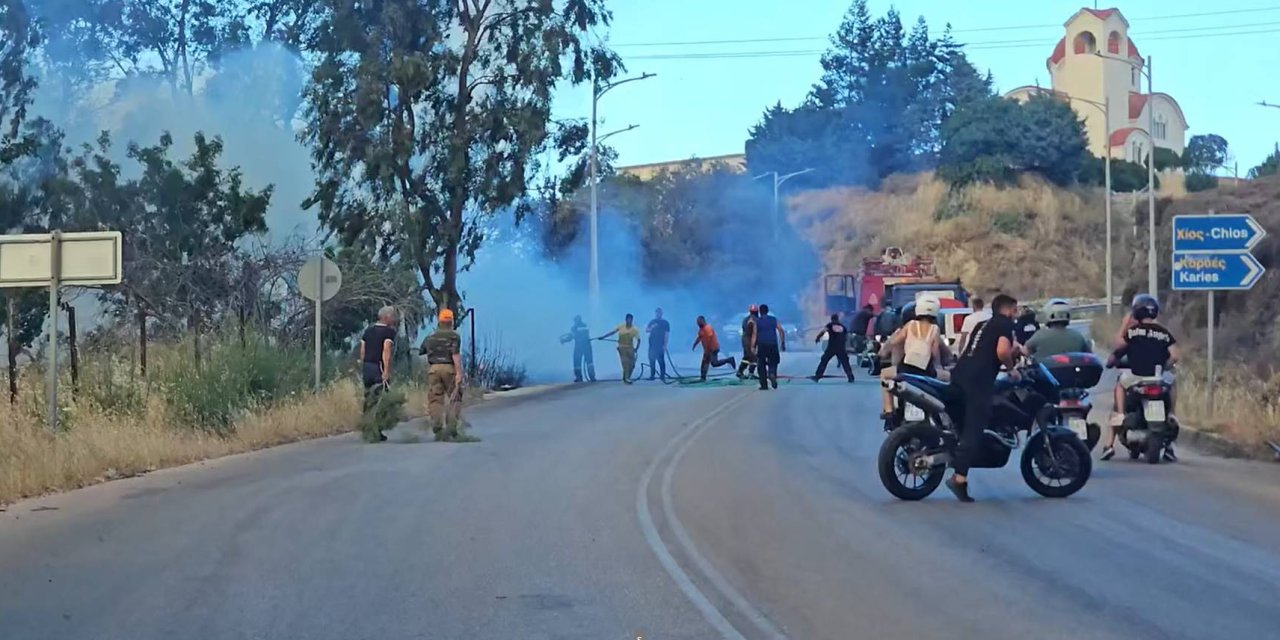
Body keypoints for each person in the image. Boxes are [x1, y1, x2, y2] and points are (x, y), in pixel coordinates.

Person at [947, 294, 1020, 503]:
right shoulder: (1004, 325)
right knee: (975, 427)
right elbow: (1002, 351)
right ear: (1008, 310)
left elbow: (976, 348)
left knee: (962, 422)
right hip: (978, 381)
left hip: (960, 374)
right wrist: (1011, 368)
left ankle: (956, 454)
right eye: (1015, 310)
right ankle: (959, 478)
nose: (1016, 315)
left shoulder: (983, 324)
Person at [1103, 294, 1180, 462]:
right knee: (1172, 381)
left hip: (1136, 378)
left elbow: (1118, 347)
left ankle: (1111, 440)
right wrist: (1164, 366)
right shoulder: (1164, 332)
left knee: (1120, 386)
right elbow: (1175, 356)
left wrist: (1124, 325)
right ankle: (1173, 414)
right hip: (1158, 377)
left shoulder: (1133, 331)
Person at [879, 296, 949, 418]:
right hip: (926, 372)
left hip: (905, 370)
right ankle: (946, 415)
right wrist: (940, 366)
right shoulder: (935, 329)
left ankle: (889, 410)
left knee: (884, 375)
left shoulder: (908, 326)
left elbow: (892, 344)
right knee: (949, 380)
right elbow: (935, 353)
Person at [421, 308, 466, 439]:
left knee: (435, 399)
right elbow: (455, 354)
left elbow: (422, 350)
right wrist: (459, 373)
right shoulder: (454, 336)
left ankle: (437, 426)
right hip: (449, 368)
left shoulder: (430, 336)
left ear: (439, 321)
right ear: (451, 321)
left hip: (433, 369)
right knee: (455, 397)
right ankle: (451, 427)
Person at [358, 306, 398, 440]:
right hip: (378, 366)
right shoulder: (389, 332)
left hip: (367, 366)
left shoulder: (368, 331)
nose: (394, 319)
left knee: (368, 397)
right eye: (393, 316)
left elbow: (362, 351)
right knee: (380, 399)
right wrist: (386, 371)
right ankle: (376, 431)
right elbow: (386, 350)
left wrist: (364, 365)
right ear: (386, 317)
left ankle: (366, 427)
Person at [1023, 301, 1091, 358]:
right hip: (1075, 372)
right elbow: (1089, 354)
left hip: (1047, 373)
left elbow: (1025, 351)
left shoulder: (1040, 335)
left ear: (1047, 314)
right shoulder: (1077, 335)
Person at [751, 304, 787, 390]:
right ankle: (772, 374)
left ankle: (764, 385)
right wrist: (782, 343)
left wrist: (752, 346)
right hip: (772, 344)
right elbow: (781, 330)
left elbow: (754, 334)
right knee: (773, 362)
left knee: (761, 365)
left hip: (762, 345)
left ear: (760, 312)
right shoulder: (773, 319)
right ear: (767, 311)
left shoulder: (757, 321)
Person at [598, 314, 642, 384]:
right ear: (626, 319)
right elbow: (612, 332)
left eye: (630, 320)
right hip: (622, 347)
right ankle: (626, 378)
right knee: (625, 363)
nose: (629, 321)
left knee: (632, 365)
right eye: (628, 319)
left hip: (630, 347)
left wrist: (636, 348)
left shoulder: (634, 329)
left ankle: (627, 377)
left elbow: (639, 340)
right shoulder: (621, 326)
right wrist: (603, 337)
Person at [812, 314, 855, 383]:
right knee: (845, 362)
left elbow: (823, 331)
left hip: (832, 347)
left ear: (831, 319)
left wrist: (818, 338)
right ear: (838, 319)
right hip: (841, 347)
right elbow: (846, 337)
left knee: (824, 361)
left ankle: (817, 376)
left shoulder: (830, 325)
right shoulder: (843, 326)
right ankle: (850, 377)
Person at [692, 316, 736, 381]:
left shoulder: (708, 328)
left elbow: (709, 339)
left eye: (699, 322)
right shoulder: (701, 329)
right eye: (697, 322)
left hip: (713, 349)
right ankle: (703, 377)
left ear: (703, 321)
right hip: (707, 350)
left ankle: (729, 360)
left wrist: (707, 350)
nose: (698, 324)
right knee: (705, 363)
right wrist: (694, 345)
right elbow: (699, 337)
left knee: (714, 363)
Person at [645, 308, 671, 381]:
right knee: (651, 359)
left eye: (659, 312)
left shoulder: (665, 323)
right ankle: (652, 376)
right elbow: (647, 330)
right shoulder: (652, 322)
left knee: (661, 360)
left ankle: (662, 376)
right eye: (657, 312)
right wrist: (652, 327)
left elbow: (667, 334)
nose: (658, 314)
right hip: (652, 344)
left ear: (661, 313)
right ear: (655, 313)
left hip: (660, 344)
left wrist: (665, 345)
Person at [568, 315, 595, 382]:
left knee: (577, 363)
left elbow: (571, 336)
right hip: (587, 346)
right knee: (589, 362)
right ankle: (592, 377)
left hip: (579, 347)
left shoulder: (574, 327)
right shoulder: (585, 325)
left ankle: (579, 378)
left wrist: (564, 340)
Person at [736, 305, 759, 379]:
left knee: (747, 356)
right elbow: (755, 332)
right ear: (756, 311)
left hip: (744, 339)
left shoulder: (745, 319)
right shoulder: (755, 319)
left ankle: (740, 371)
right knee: (754, 357)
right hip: (750, 339)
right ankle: (750, 373)